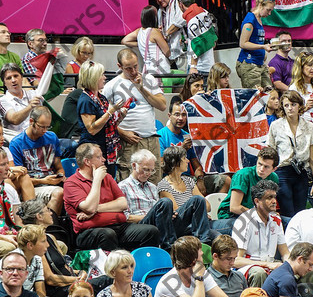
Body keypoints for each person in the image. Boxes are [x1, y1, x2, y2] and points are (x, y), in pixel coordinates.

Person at [63, 143, 159, 252]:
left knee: (151, 231)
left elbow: (123, 203)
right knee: (107, 234)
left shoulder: (107, 177)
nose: (104, 159)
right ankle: (114, 267)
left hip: (119, 226)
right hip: (89, 231)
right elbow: (89, 207)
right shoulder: (71, 183)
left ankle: (146, 265)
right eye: (99, 157)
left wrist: (96, 210)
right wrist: (97, 180)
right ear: (87, 162)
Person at [120, 149, 214, 251]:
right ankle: (169, 248)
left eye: (152, 170)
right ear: (134, 166)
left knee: (197, 200)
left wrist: (167, 213)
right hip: (141, 225)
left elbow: (161, 211)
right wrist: (158, 214)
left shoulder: (152, 187)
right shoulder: (123, 187)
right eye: (146, 169)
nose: (149, 174)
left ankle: (204, 244)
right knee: (165, 202)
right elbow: (126, 217)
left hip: (162, 223)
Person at [102, 49, 167, 182]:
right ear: (120, 67)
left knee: (154, 179)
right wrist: (122, 133)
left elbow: (162, 106)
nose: (133, 71)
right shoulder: (111, 86)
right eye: (128, 68)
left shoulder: (149, 79)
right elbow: (104, 118)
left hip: (151, 139)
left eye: (135, 66)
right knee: (129, 181)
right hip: (129, 142)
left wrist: (141, 88)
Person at [267, 91, 313, 217]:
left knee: (300, 212)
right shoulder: (275, 125)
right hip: (283, 171)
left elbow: (312, 155)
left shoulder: (309, 126)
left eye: (293, 104)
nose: (290, 108)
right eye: (286, 105)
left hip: (301, 171)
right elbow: (271, 151)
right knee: (287, 211)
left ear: (300, 106)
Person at [9, 107, 66, 215]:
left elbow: (59, 166)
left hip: (51, 182)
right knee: (59, 193)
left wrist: (60, 176)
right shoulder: (17, 143)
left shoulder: (52, 137)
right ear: (31, 122)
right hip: (32, 187)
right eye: (41, 127)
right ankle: (49, 227)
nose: (44, 130)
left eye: (47, 127)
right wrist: (44, 181)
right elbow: (19, 180)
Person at [216, 146, 279, 225]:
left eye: (266, 167)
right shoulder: (243, 175)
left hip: (255, 215)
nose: (261, 169)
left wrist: (271, 214)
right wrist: (258, 215)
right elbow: (234, 207)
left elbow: (269, 204)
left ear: (274, 169)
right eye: (259, 164)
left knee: (284, 222)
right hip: (230, 216)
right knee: (254, 227)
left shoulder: (274, 178)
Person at [237, 0, 276, 90]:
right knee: (255, 97)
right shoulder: (250, 20)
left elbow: (256, 41)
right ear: (260, 5)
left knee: (269, 93)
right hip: (249, 63)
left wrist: (263, 54)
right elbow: (243, 43)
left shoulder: (259, 20)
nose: (269, 13)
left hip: (259, 63)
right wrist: (262, 47)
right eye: (268, 10)